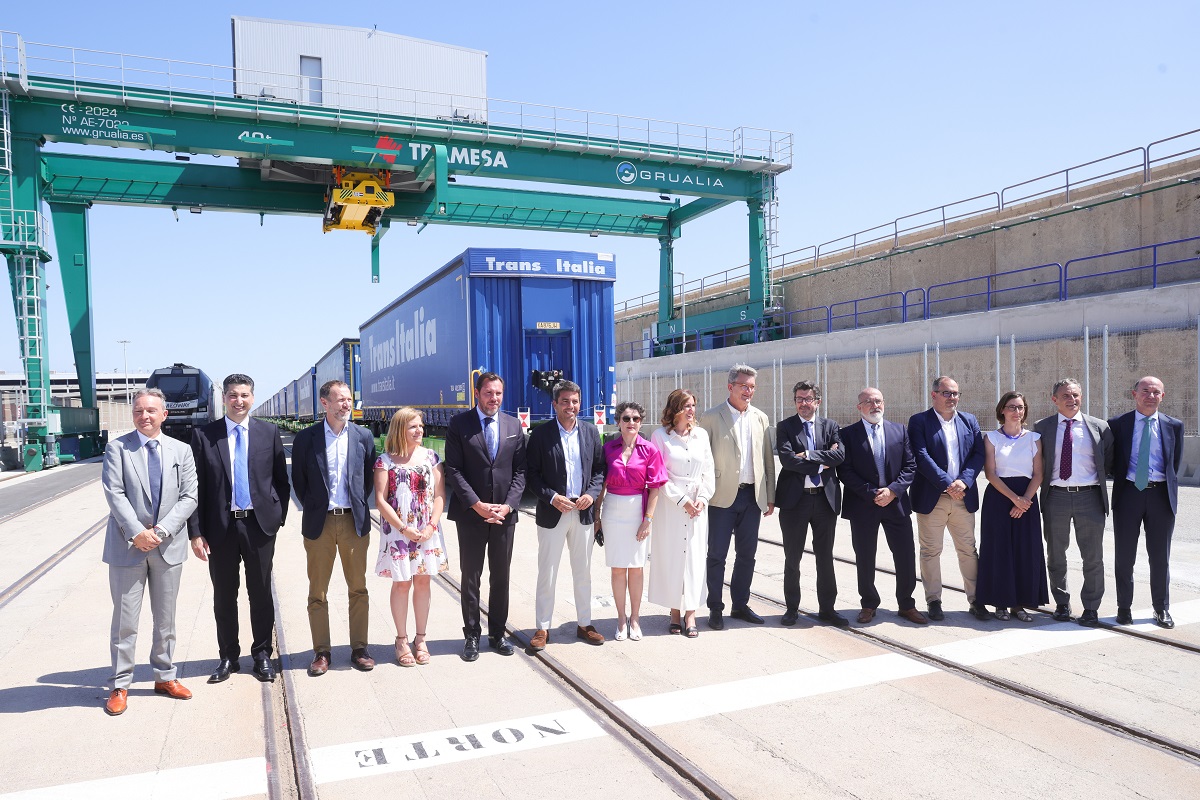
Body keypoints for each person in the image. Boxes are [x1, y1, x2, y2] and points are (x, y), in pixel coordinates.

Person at [101, 388, 198, 716]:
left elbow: (189, 497)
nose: (144, 416)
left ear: (164, 414)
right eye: (138, 411)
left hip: (167, 547)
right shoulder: (117, 449)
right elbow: (114, 492)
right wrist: (137, 533)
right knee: (125, 620)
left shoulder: (182, 450)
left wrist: (160, 531)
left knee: (165, 619)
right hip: (127, 547)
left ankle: (164, 676)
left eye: (151, 411)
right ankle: (120, 684)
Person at [189, 374, 290, 683]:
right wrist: (196, 532)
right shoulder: (204, 436)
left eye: (244, 395)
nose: (239, 401)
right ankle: (228, 657)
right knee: (224, 595)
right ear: (224, 399)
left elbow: (281, 480)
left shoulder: (268, 432)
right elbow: (195, 488)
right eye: (233, 395)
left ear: (252, 397)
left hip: (259, 526)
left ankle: (262, 654)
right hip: (220, 529)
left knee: (260, 593)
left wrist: (277, 517)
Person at [291, 380, 378, 676]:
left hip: (354, 522)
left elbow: (367, 481)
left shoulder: (363, 436)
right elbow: (299, 483)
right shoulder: (307, 438)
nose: (346, 404)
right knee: (318, 591)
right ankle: (322, 652)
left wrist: (355, 505)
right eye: (340, 399)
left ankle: (359, 648)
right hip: (320, 524)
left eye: (349, 398)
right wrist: (317, 507)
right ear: (324, 403)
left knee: (358, 588)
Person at [444, 372, 526, 662]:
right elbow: (453, 469)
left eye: (498, 393)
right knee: (471, 577)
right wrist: (477, 505)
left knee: (501, 577)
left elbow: (521, 471)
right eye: (489, 393)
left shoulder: (513, 425)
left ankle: (497, 634)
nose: (494, 398)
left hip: (504, 516)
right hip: (471, 515)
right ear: (477, 393)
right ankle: (471, 636)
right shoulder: (459, 424)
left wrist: (508, 505)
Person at [527, 381, 607, 650]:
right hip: (553, 512)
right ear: (555, 404)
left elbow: (599, 469)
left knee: (583, 571)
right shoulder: (541, 435)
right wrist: (552, 497)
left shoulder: (590, 432)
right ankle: (542, 627)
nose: (570, 406)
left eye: (574, 401)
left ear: (579, 403)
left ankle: (585, 624)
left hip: (582, 512)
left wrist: (591, 495)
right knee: (547, 572)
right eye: (565, 401)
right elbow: (531, 474)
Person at [837, 388, 927, 625]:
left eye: (878, 401)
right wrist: (871, 493)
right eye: (868, 402)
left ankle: (906, 604)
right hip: (863, 504)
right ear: (859, 407)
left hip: (895, 504)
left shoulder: (899, 430)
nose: (874, 405)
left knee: (905, 554)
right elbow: (845, 470)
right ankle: (868, 604)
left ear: (884, 403)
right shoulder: (847, 434)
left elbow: (910, 466)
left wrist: (893, 491)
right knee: (865, 556)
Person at [700, 364, 775, 630]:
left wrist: (770, 495)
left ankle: (740, 605)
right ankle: (715, 608)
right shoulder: (711, 417)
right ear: (730, 386)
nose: (749, 391)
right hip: (721, 497)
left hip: (752, 497)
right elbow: (702, 459)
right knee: (716, 555)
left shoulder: (761, 418)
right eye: (744, 386)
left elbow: (767, 459)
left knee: (747, 555)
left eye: (752, 387)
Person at [908, 376, 990, 622]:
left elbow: (978, 454)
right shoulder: (919, 421)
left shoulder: (969, 420)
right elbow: (921, 456)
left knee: (968, 550)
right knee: (930, 551)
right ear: (934, 395)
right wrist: (947, 483)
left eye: (955, 393)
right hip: (932, 498)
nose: (952, 398)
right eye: (946, 393)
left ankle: (976, 600)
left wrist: (963, 481)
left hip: (963, 496)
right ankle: (934, 600)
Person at [1034, 378, 1113, 626]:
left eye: (1076, 395)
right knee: (1056, 554)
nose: (1072, 400)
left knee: (1093, 556)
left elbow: (1109, 461)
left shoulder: (1100, 427)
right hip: (1055, 496)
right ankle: (1062, 603)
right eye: (1066, 396)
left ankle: (1091, 607)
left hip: (1090, 496)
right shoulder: (1042, 427)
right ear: (1054, 399)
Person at [375, 407, 449, 665]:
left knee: (423, 582)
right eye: (413, 426)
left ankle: (421, 639)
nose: (420, 430)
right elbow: (381, 500)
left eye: (421, 426)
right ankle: (401, 640)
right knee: (402, 583)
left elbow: (439, 495)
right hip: (398, 532)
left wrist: (431, 526)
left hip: (426, 529)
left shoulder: (431, 457)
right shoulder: (384, 461)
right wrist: (404, 528)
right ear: (400, 429)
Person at [1109, 376, 1182, 629]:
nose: (1151, 396)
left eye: (1156, 392)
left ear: (1163, 396)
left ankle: (1161, 608)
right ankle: (1124, 608)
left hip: (1161, 496)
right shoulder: (1118, 424)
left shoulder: (1174, 426)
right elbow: (1112, 461)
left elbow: (1174, 464)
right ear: (1134, 394)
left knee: (1160, 557)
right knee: (1124, 556)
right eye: (1145, 391)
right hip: (1129, 494)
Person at [775, 381, 846, 626]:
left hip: (825, 500)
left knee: (825, 557)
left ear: (818, 401)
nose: (803, 404)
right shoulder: (785, 427)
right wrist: (822, 463)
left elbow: (840, 455)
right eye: (799, 399)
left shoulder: (831, 426)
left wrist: (808, 455)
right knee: (792, 558)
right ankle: (791, 608)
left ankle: (827, 609)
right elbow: (787, 460)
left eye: (808, 399)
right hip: (795, 502)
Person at [595, 401, 666, 641]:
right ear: (618, 422)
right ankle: (620, 619)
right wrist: (596, 517)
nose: (631, 422)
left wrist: (648, 519)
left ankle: (635, 619)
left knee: (636, 567)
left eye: (636, 418)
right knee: (617, 568)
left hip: (638, 510)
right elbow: (601, 485)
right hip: (613, 510)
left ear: (641, 422)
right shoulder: (608, 449)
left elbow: (655, 487)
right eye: (626, 418)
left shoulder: (650, 450)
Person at [648, 390, 714, 638]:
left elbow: (709, 470)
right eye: (686, 405)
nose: (691, 410)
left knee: (695, 558)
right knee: (672, 557)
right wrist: (683, 500)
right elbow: (659, 475)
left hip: (698, 506)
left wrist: (703, 498)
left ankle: (691, 613)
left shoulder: (701, 435)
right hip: (671, 505)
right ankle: (675, 612)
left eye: (693, 405)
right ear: (675, 408)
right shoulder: (660, 436)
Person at [977, 392, 1048, 621]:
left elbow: (1038, 474)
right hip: (999, 497)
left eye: (1020, 407)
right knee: (999, 550)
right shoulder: (991, 438)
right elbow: (991, 474)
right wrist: (1014, 499)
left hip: (1027, 497)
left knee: (1025, 550)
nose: (1017, 412)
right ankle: (1000, 603)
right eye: (1012, 407)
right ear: (1002, 410)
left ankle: (1020, 604)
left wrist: (1024, 499)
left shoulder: (1034, 438)